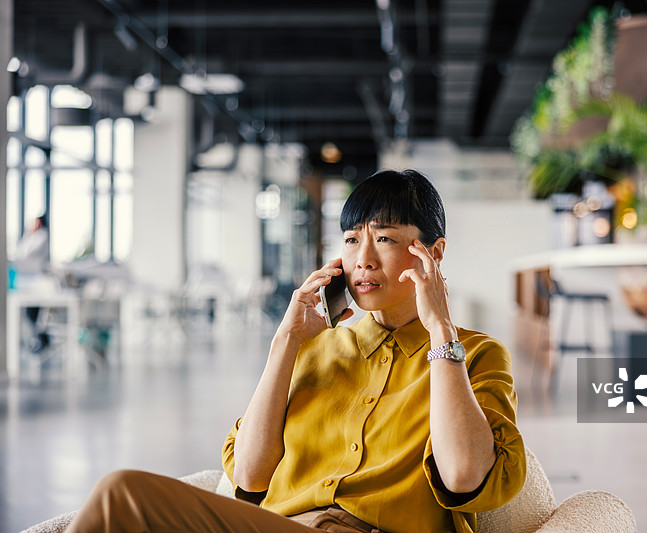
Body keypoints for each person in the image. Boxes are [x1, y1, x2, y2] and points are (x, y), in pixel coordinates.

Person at [65, 169, 526, 533]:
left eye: (384, 238)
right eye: (350, 240)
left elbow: (465, 475)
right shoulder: (314, 348)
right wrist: (286, 341)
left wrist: (441, 331)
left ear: (434, 251)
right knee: (120, 495)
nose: (363, 259)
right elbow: (248, 475)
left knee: (121, 494)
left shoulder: (474, 354)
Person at [13, 214, 51, 352]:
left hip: (36, 281)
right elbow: (20, 255)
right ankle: (37, 338)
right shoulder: (29, 237)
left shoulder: (42, 236)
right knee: (28, 313)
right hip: (24, 280)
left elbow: (27, 256)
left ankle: (41, 338)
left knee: (34, 312)